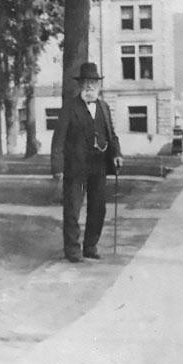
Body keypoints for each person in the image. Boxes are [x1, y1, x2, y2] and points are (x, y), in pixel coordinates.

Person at [51, 62, 123, 263]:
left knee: (98, 208)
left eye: (93, 82)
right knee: (73, 209)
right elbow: (58, 139)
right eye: (86, 82)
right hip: (75, 167)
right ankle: (72, 250)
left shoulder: (104, 107)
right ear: (80, 85)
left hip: (98, 165)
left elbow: (111, 134)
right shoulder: (70, 107)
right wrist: (57, 167)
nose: (90, 86)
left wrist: (117, 154)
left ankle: (90, 246)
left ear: (98, 85)